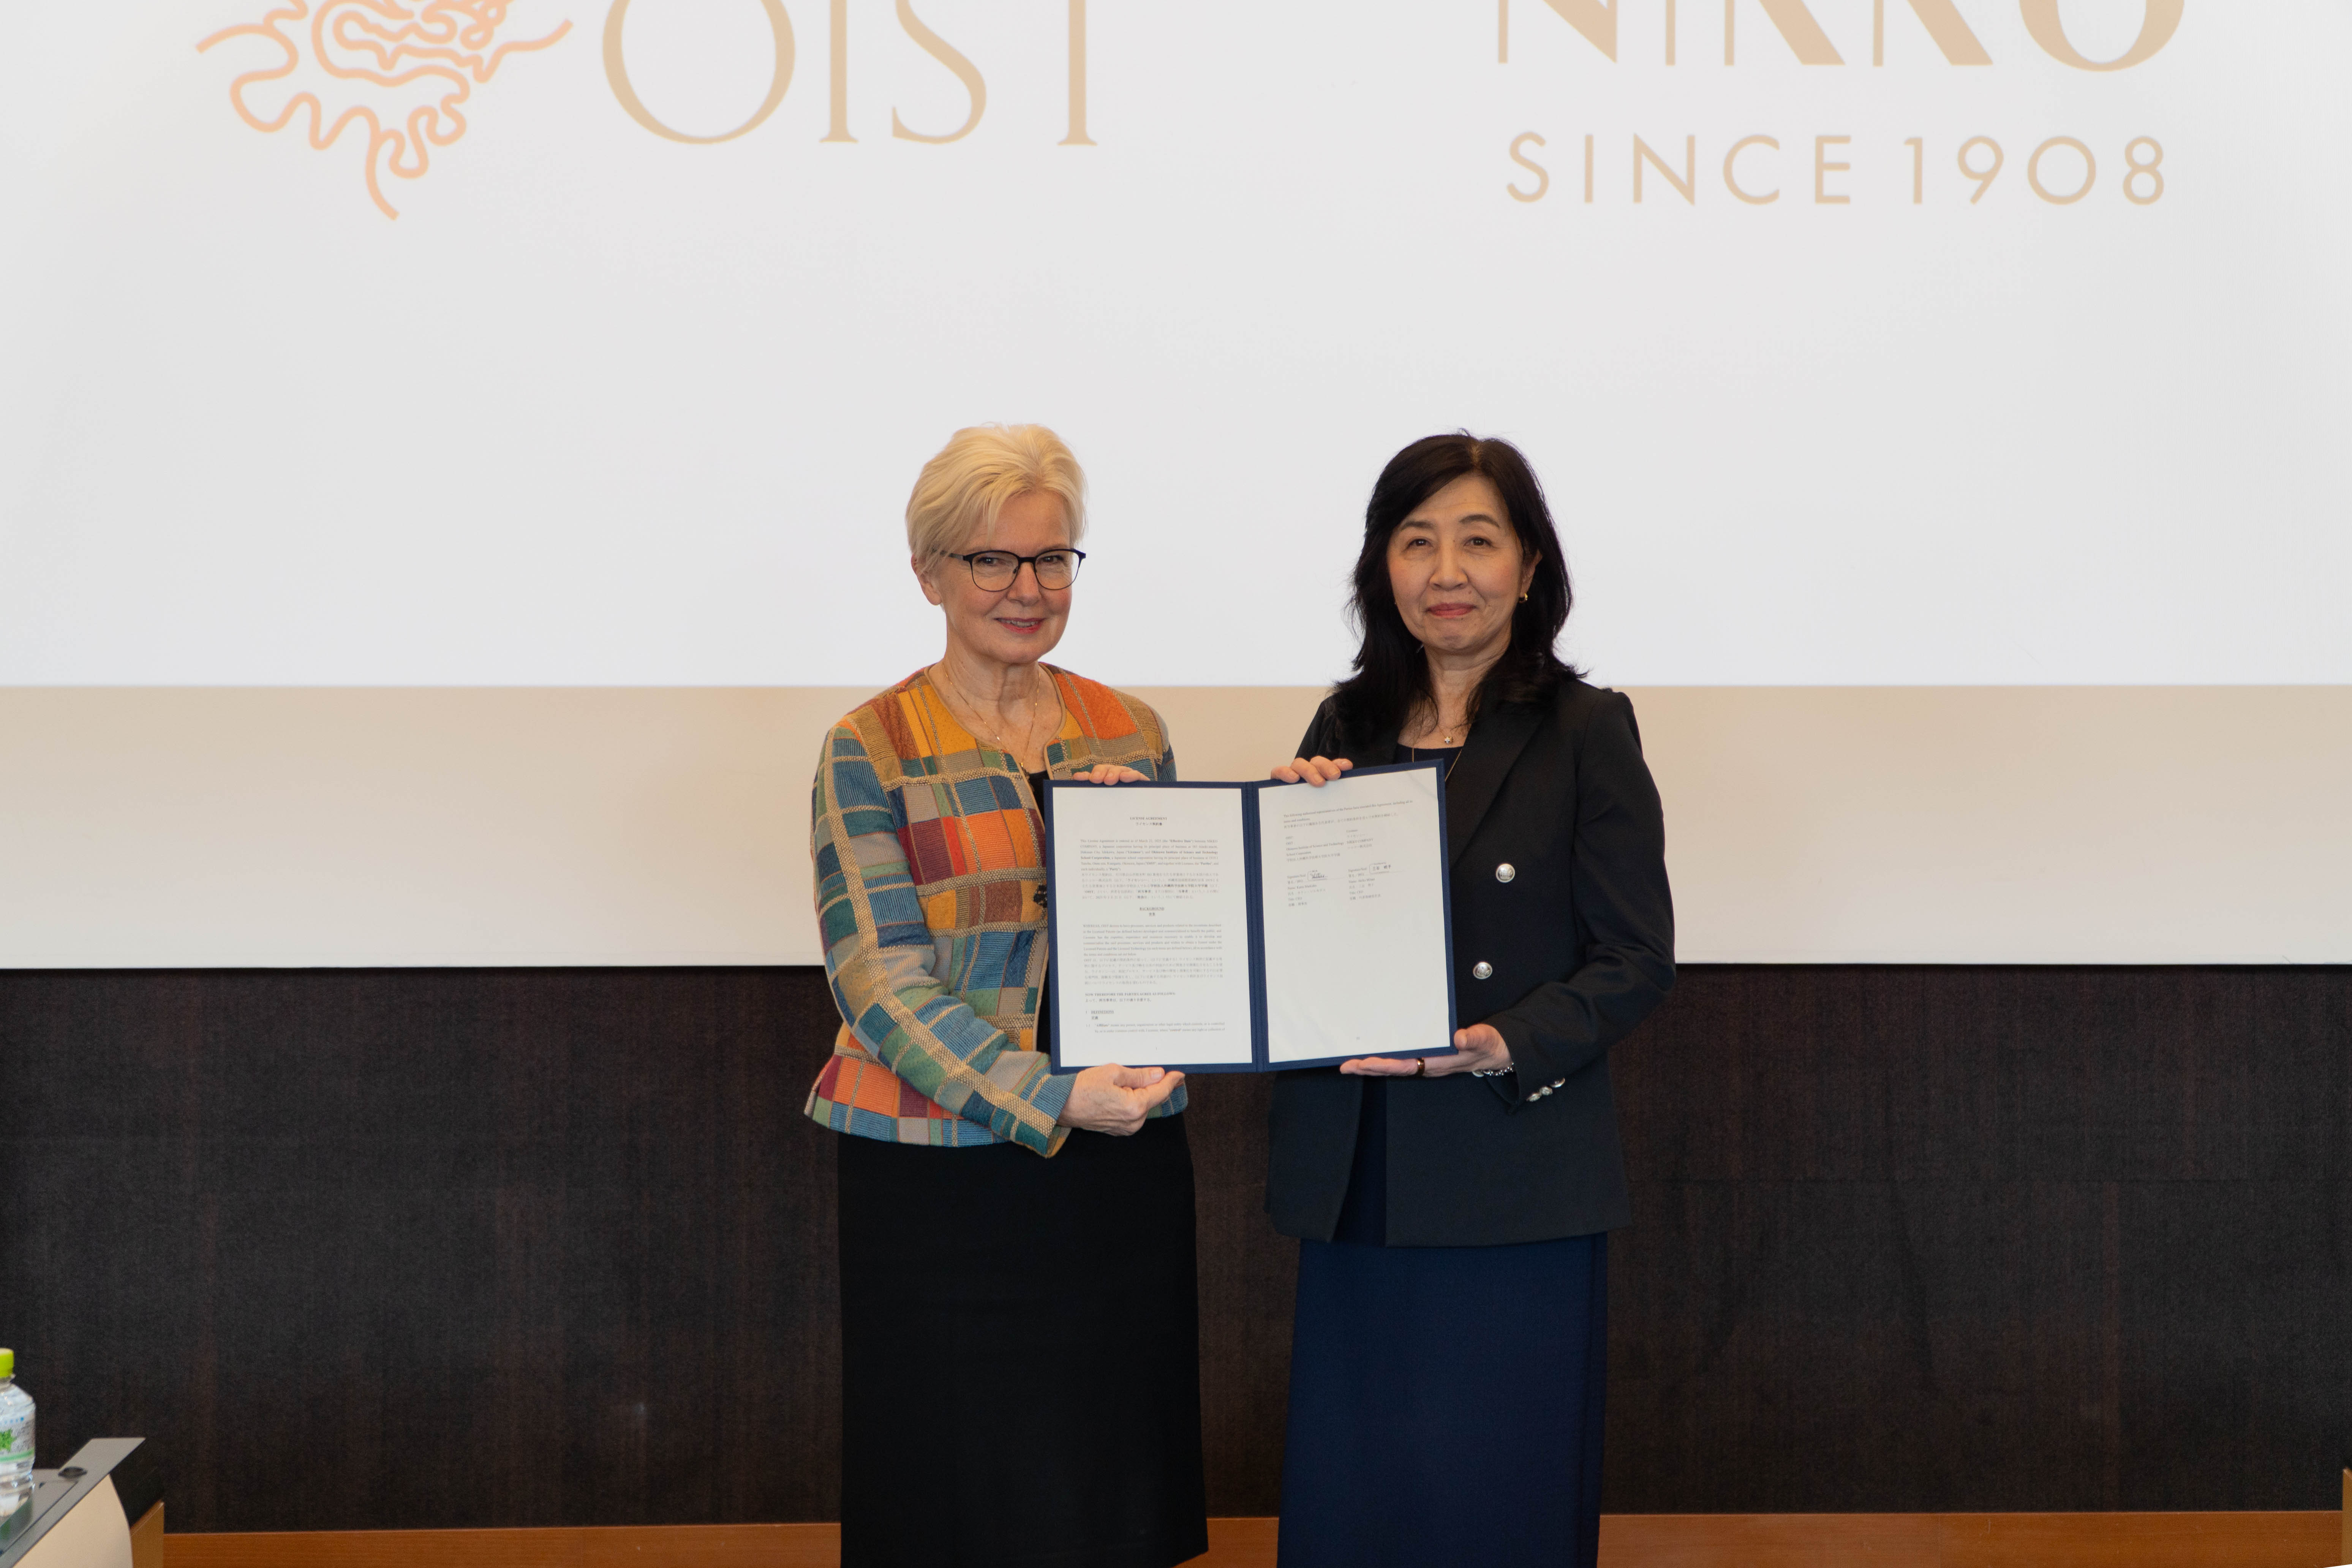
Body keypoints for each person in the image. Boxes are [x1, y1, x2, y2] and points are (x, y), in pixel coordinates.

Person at [1266, 433, 1676, 1568]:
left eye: (1479, 541)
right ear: (1382, 568)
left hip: (1511, 1168)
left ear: (1530, 566)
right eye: (1417, 542)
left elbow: (1636, 957)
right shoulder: (1342, 729)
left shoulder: (1587, 729)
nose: (1447, 572)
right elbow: (1293, 953)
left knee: (1496, 1491)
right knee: (1363, 1491)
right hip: (1360, 1167)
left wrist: (1503, 1043)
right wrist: (1279, 832)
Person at [805, 424, 1208, 1568]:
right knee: (956, 1491)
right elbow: (878, 978)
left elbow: (1179, 946)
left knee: (1109, 1476)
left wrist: (1161, 857)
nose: (1027, 589)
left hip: (1120, 1156)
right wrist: (1051, 1095)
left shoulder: (1131, 731)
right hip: (938, 1171)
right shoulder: (870, 746)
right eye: (992, 560)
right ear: (930, 573)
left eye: (1052, 558)